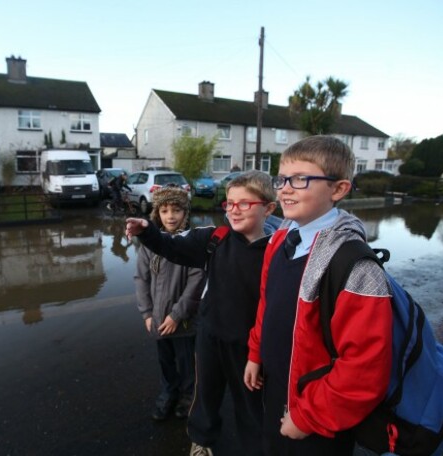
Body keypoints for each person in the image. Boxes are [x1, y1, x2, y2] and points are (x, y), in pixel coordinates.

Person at [243, 135, 393, 456]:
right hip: (276, 389)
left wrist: (307, 416)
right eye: (282, 179)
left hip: (318, 416)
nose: (283, 189)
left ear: (338, 189)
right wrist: (256, 352)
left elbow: (365, 366)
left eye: (300, 179)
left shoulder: (354, 265)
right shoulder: (279, 239)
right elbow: (267, 306)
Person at [126, 171, 277, 456]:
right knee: (205, 394)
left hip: (248, 343)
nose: (234, 210)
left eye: (244, 204)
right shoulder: (214, 238)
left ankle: (256, 447)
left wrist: (258, 354)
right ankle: (202, 440)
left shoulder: (277, 250)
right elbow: (170, 246)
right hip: (209, 336)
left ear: (268, 208)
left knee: (250, 401)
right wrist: (146, 229)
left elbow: (276, 307)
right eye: (229, 203)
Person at [134, 186, 204, 422]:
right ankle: (168, 392)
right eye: (164, 211)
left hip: (183, 321)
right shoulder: (149, 243)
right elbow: (142, 279)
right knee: (165, 362)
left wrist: (176, 315)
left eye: (176, 210)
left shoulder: (193, 242)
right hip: (157, 318)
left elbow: (196, 281)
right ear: (157, 214)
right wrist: (146, 314)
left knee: (187, 362)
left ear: (185, 213)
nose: (170, 216)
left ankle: (188, 396)